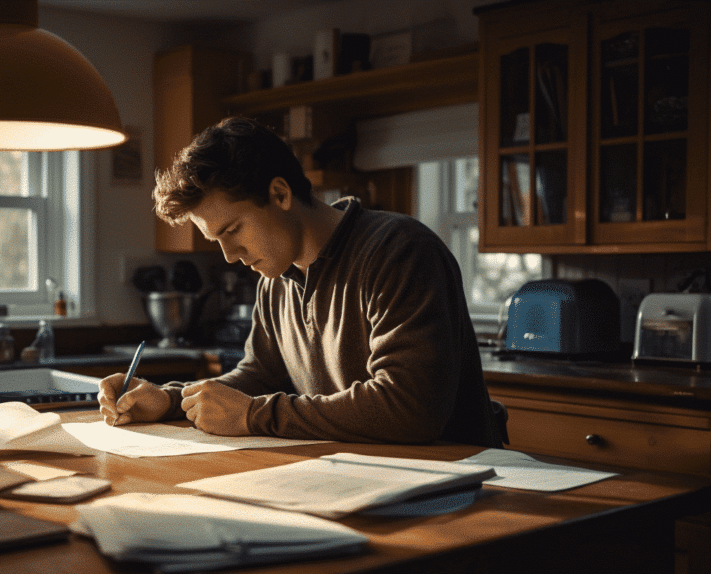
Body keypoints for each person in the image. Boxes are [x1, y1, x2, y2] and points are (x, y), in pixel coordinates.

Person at [99, 116, 502, 447]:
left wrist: (255, 415)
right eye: (216, 240)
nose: (229, 255)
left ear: (280, 193)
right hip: (361, 478)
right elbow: (259, 377)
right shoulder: (274, 279)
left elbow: (410, 409)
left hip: (456, 489)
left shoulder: (400, 251)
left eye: (233, 230)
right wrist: (168, 400)